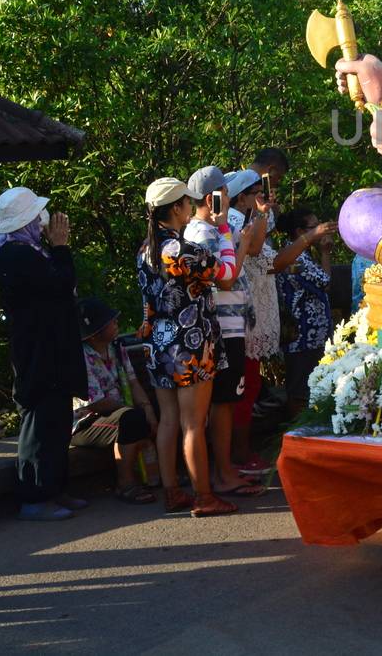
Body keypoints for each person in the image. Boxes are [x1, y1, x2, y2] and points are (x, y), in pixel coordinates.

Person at [138, 175, 236, 517]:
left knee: (169, 420)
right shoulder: (181, 250)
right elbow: (227, 275)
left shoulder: (145, 250)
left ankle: (172, 492)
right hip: (191, 345)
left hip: (158, 344)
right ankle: (204, 496)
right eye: (185, 203)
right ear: (177, 207)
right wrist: (223, 231)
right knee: (194, 422)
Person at [0, 186, 87, 521]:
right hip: (37, 349)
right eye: (36, 216)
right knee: (40, 418)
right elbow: (58, 285)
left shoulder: (31, 250)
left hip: (53, 345)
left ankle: (55, 488)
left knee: (58, 416)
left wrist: (55, 250)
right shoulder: (16, 253)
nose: (43, 221)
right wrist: (61, 249)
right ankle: (34, 495)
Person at [182, 166, 266, 499]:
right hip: (221, 325)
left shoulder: (210, 230)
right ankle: (224, 473)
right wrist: (237, 240)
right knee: (223, 403)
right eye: (225, 194)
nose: (229, 199)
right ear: (211, 198)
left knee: (227, 401)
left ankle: (224, 471)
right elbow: (226, 277)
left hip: (228, 324)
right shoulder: (203, 233)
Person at [71, 297, 158, 504]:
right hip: (86, 422)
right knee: (132, 419)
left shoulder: (116, 348)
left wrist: (149, 410)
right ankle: (125, 483)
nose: (116, 322)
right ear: (94, 333)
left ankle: (158, 474)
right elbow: (96, 402)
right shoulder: (81, 357)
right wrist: (134, 411)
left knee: (156, 413)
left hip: (117, 411)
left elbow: (133, 382)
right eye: (110, 322)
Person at [227, 168, 277, 475]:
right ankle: (239, 455)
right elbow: (256, 249)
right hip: (234, 319)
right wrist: (261, 214)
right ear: (241, 197)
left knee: (249, 385)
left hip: (246, 315)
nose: (261, 197)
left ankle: (240, 453)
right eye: (256, 193)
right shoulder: (232, 220)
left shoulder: (244, 219)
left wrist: (261, 214)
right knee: (242, 389)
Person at [274, 208, 340, 410]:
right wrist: (326, 253)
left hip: (307, 335)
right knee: (301, 390)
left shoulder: (298, 254)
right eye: (314, 228)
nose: (320, 232)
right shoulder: (297, 258)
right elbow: (325, 283)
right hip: (304, 335)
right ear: (299, 232)